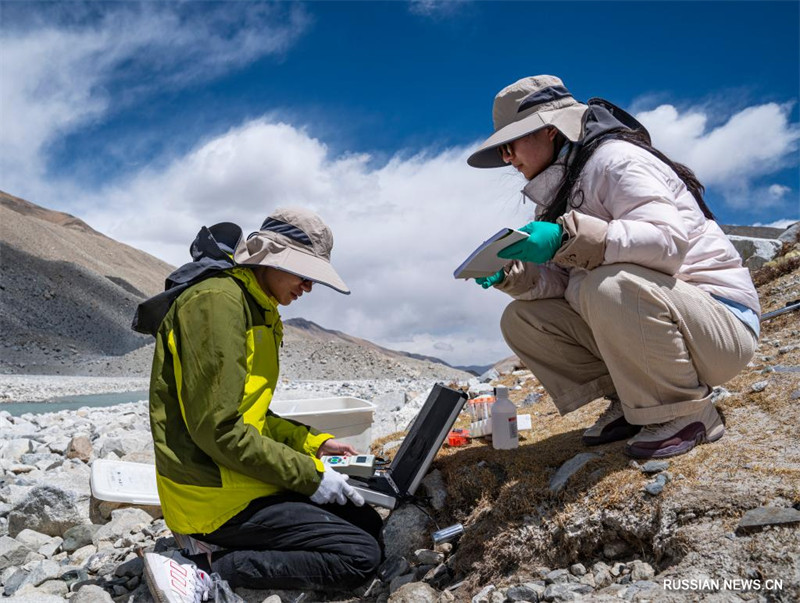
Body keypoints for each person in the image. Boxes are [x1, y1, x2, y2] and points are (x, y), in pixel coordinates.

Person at [467, 75, 759, 459]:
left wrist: (569, 237)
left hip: (719, 325)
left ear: (549, 130)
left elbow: (667, 243)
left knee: (608, 285)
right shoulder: (557, 193)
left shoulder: (617, 160)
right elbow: (566, 284)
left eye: (510, 144)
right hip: (660, 323)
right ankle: (632, 399)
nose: (508, 158)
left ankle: (690, 413)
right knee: (522, 319)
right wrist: (515, 275)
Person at [138, 207, 383, 602]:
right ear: (270, 257)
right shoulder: (217, 303)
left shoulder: (258, 307)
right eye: (304, 274)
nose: (308, 287)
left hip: (234, 475)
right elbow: (220, 429)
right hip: (212, 492)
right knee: (359, 556)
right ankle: (204, 569)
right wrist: (311, 476)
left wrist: (313, 445)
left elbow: (251, 415)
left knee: (366, 522)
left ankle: (219, 549)